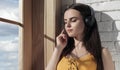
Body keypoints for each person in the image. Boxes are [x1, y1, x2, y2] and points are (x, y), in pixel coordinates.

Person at [46, 3, 114, 70]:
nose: (67, 25)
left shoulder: (102, 52)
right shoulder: (62, 50)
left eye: (73, 20)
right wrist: (58, 48)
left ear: (88, 22)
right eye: (65, 22)